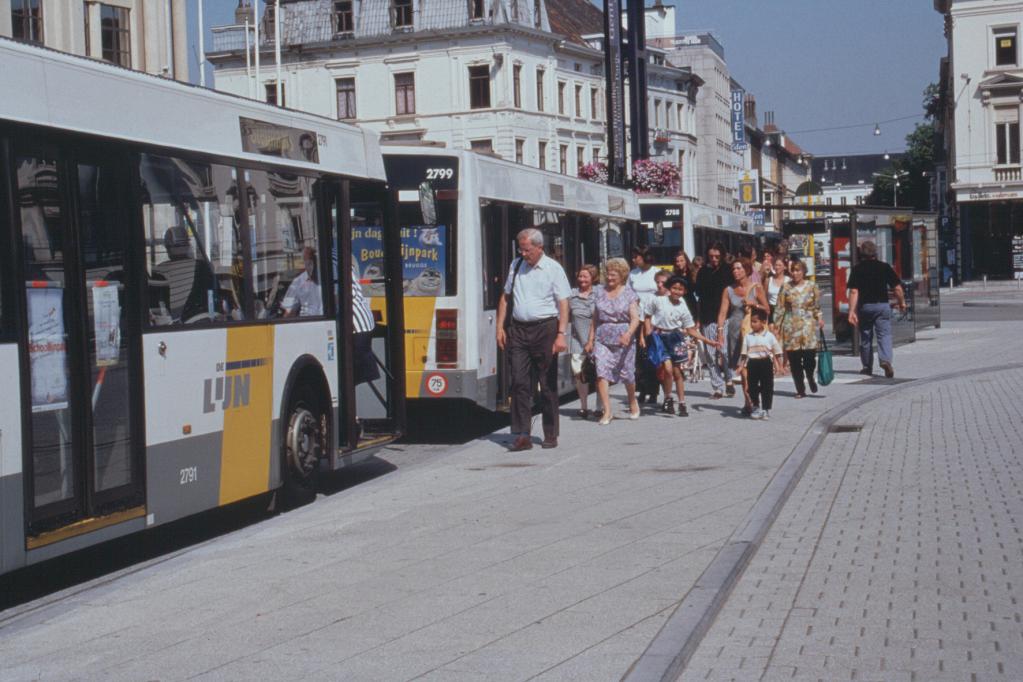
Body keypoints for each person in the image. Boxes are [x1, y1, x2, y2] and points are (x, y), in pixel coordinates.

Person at [496, 228, 571, 451]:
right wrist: (500, 327)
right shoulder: (516, 265)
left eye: (527, 249)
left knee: (546, 383)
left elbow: (563, 303)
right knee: (518, 381)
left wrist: (561, 334)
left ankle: (550, 433)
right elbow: (505, 297)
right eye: (521, 249)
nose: (523, 253)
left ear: (539, 247)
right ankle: (522, 434)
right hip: (518, 330)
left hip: (545, 329)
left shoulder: (553, 269)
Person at [644, 276, 720, 416]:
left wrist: (707, 341)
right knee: (667, 369)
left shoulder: (683, 305)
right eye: (674, 288)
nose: (677, 292)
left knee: (677, 373)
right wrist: (648, 333)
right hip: (660, 337)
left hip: (675, 338)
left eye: (680, 289)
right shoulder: (659, 300)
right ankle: (668, 398)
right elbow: (647, 315)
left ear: (684, 291)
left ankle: (682, 402)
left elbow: (690, 329)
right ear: (669, 288)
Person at [586, 258, 641, 425]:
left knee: (627, 374)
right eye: (608, 275)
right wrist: (590, 340)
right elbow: (595, 318)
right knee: (601, 372)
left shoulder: (629, 293)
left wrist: (628, 334)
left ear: (622, 276)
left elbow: (635, 319)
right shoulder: (599, 292)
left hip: (623, 338)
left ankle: (632, 401)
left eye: (613, 276)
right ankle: (607, 411)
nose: (609, 279)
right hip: (603, 338)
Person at [717, 258, 770, 415]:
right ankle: (750, 402)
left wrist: (755, 305)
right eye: (733, 269)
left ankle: (752, 402)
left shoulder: (756, 288)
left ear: (747, 270)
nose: (735, 271)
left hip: (753, 334)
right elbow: (722, 313)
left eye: (739, 268)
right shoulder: (728, 290)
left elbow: (767, 309)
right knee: (743, 371)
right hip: (735, 333)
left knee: (752, 369)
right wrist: (720, 332)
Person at [847, 240, 906, 378]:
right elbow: (897, 288)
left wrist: (851, 311)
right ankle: (885, 360)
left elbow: (854, 292)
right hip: (882, 306)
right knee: (884, 335)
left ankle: (867, 366)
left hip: (865, 307)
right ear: (875, 253)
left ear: (862, 254)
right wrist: (901, 302)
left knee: (866, 337)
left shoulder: (857, 269)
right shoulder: (884, 267)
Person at [774, 260, 824, 398]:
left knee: (810, 358)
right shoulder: (786, 287)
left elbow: (816, 306)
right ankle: (800, 389)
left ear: (804, 272)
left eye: (798, 270)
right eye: (793, 271)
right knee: (795, 361)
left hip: (808, 327)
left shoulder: (812, 286)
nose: (795, 273)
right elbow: (780, 308)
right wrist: (776, 325)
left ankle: (810, 376)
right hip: (791, 328)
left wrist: (819, 318)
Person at [694, 243, 732, 399]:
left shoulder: (728, 271)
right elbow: (699, 296)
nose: (714, 259)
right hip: (708, 316)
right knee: (710, 354)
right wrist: (698, 318)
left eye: (717, 256)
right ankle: (717, 387)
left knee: (724, 351)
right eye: (711, 256)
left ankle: (729, 378)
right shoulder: (703, 272)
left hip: (725, 316)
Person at [739, 309, 784, 420]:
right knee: (752, 387)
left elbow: (777, 352)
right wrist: (741, 366)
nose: (752, 324)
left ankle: (765, 409)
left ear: (763, 322)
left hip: (766, 363)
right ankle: (755, 406)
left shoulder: (769, 336)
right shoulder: (748, 337)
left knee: (767, 387)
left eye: (755, 321)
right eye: (751, 321)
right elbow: (744, 354)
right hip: (752, 364)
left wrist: (781, 366)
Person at [628, 246, 660, 404]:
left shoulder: (656, 272)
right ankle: (641, 389)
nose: (633, 260)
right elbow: (628, 294)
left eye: (636, 257)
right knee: (639, 357)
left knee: (652, 356)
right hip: (637, 318)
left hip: (653, 319)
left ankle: (653, 390)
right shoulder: (633, 274)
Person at [568, 264, 599, 419]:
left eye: (585, 276)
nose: (581, 279)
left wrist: (592, 340)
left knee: (600, 373)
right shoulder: (572, 295)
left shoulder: (599, 294)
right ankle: (584, 407)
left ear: (592, 278)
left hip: (597, 340)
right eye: (580, 276)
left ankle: (600, 406)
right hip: (577, 340)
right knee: (579, 373)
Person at [281, 246, 323, 317]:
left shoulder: (327, 279)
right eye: (308, 263)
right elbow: (289, 311)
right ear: (304, 263)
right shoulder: (298, 282)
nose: (311, 267)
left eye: (314, 263)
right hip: (307, 323)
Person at [671, 249, 699, 316]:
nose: (679, 263)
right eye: (677, 261)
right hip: (679, 301)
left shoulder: (693, 273)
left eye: (681, 261)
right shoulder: (675, 275)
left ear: (686, 261)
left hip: (691, 302)